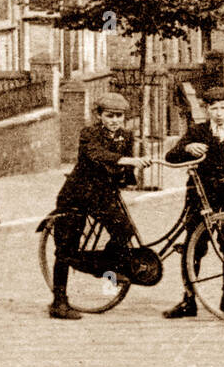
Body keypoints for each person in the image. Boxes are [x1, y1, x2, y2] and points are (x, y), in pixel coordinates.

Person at [48, 92, 151, 320]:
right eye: (110, 115)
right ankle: (59, 301)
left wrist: (131, 173)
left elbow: (127, 168)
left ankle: (105, 265)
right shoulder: (89, 133)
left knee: (124, 231)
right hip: (78, 194)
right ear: (99, 116)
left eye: (119, 116)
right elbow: (96, 155)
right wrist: (127, 161)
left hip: (104, 194)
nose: (115, 120)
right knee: (66, 249)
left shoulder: (126, 135)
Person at [163, 86, 224, 319]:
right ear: (207, 110)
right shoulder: (196, 131)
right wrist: (187, 148)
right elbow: (171, 156)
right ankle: (189, 300)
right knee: (193, 247)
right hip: (202, 197)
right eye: (214, 108)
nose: (219, 113)